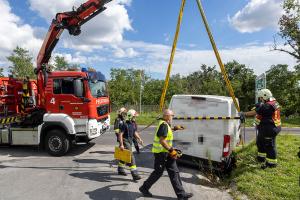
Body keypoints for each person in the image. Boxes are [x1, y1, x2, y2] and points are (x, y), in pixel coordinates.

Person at [139, 109, 193, 200]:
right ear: (167, 116)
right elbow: (162, 140)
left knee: (174, 172)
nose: (173, 117)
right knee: (158, 173)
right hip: (161, 154)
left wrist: (175, 128)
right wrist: (172, 150)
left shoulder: (165, 124)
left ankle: (181, 194)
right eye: (172, 115)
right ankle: (144, 188)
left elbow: (166, 132)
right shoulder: (163, 125)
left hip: (166, 153)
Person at [240, 89, 281, 169]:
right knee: (260, 142)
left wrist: (243, 114)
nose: (260, 99)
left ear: (265, 96)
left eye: (261, 98)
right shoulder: (274, 102)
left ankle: (271, 164)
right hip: (267, 128)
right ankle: (261, 158)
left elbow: (255, 112)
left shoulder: (267, 106)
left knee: (270, 146)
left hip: (270, 129)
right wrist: (260, 105)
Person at [117, 109, 144, 180]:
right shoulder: (124, 124)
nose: (135, 118)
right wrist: (121, 144)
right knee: (131, 156)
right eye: (134, 116)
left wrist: (139, 139)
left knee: (124, 155)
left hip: (130, 141)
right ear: (130, 116)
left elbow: (135, 132)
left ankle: (120, 169)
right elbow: (120, 134)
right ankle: (134, 173)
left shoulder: (133, 123)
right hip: (125, 141)